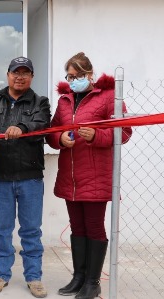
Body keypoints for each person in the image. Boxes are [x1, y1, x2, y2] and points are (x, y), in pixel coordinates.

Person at [45, 52, 132, 299]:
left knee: (94, 227)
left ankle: (93, 283)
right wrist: (59, 139)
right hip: (71, 176)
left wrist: (96, 136)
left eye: (78, 75)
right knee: (77, 227)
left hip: (96, 175)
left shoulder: (107, 98)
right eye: (69, 76)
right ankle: (78, 277)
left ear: (90, 74)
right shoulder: (64, 100)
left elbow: (124, 133)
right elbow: (52, 133)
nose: (73, 80)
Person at [0, 57, 50, 298]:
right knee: (2, 230)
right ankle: (1, 275)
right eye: (16, 72)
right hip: (1, 177)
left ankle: (34, 277)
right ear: (8, 74)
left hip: (31, 178)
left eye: (26, 73)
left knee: (31, 231)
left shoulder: (41, 102)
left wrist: (22, 128)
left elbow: (41, 123)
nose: (20, 77)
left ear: (32, 77)